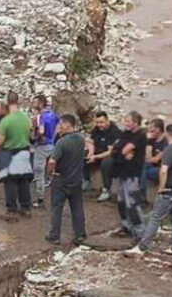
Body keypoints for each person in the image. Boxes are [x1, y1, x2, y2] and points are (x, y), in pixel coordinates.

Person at [127, 123, 172, 256]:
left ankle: (142, 247)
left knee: (155, 217)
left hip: (170, 190)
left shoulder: (168, 150)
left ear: (166, 134)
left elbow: (164, 170)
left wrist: (161, 188)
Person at [45, 114, 87, 246]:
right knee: (77, 208)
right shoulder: (81, 139)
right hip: (76, 179)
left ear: (66, 125)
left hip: (61, 179)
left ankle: (54, 235)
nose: (59, 128)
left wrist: (50, 171)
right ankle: (80, 234)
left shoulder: (62, 142)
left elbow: (52, 160)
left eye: (60, 125)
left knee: (57, 208)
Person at [0, 92, 34, 218]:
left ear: (8, 102)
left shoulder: (6, 121)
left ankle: (11, 208)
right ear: (18, 101)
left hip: (11, 152)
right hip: (25, 151)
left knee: (10, 181)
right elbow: (31, 134)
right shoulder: (25, 118)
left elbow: (0, 141)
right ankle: (25, 207)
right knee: (23, 180)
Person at [110, 111, 147, 240]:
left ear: (136, 123)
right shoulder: (125, 134)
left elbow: (123, 149)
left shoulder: (140, 136)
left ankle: (140, 233)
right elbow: (114, 150)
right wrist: (120, 153)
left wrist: (120, 152)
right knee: (121, 201)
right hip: (122, 172)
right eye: (124, 121)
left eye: (128, 121)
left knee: (132, 203)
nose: (125, 123)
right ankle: (126, 227)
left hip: (132, 174)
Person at [30, 95, 59, 209]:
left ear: (40, 104)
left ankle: (40, 199)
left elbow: (41, 131)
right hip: (52, 145)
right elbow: (58, 127)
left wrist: (36, 137)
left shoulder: (40, 116)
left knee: (39, 172)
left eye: (35, 102)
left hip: (42, 146)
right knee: (52, 172)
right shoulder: (53, 114)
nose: (33, 104)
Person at [86, 111, 121, 202]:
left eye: (101, 122)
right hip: (100, 151)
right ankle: (85, 180)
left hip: (113, 155)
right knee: (83, 154)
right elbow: (89, 141)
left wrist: (96, 157)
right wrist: (91, 153)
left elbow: (110, 152)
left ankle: (106, 190)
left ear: (107, 120)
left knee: (106, 162)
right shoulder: (97, 129)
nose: (99, 125)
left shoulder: (114, 131)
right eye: (97, 122)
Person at [139, 118, 168, 199]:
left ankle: (142, 196)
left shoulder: (165, 143)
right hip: (150, 166)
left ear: (158, 129)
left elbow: (156, 159)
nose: (149, 130)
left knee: (141, 168)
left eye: (152, 128)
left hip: (160, 170)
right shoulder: (152, 139)